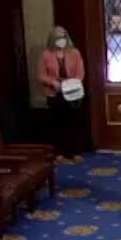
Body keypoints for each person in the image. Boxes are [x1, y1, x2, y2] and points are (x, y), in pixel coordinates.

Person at [39, 25, 87, 164]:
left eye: (63, 38)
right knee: (59, 124)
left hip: (73, 93)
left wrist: (71, 84)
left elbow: (80, 73)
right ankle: (60, 154)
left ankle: (75, 152)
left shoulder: (74, 52)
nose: (61, 41)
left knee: (74, 122)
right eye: (58, 38)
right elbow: (41, 75)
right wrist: (53, 83)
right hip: (55, 94)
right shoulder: (46, 55)